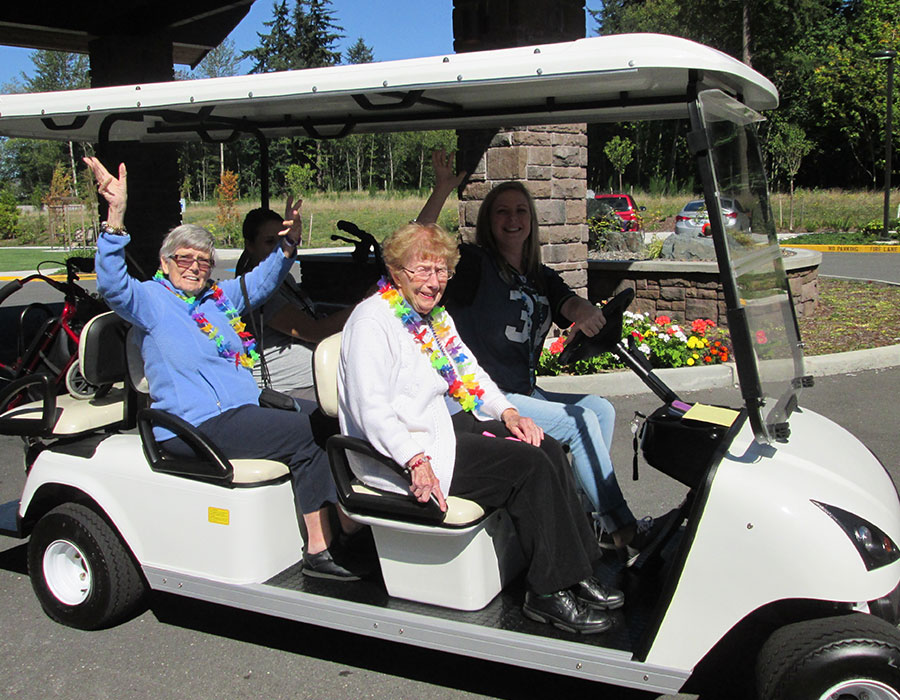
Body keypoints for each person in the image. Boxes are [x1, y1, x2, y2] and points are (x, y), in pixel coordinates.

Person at [84, 156, 366, 581]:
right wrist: (115, 219)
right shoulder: (150, 302)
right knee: (308, 435)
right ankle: (321, 547)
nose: (196, 266)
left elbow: (264, 281)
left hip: (243, 409)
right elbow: (111, 285)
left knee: (333, 418)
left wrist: (290, 244)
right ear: (165, 263)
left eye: (204, 260)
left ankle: (348, 521)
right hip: (195, 424)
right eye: (185, 259)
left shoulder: (219, 300)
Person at [338, 221, 623, 634]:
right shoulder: (372, 322)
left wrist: (508, 413)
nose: (433, 283)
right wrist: (415, 460)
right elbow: (372, 410)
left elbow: (469, 372)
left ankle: (577, 569)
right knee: (529, 468)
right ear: (396, 270)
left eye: (441, 271)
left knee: (547, 447)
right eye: (422, 270)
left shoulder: (433, 318)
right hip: (401, 453)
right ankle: (546, 592)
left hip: (439, 432)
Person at [417, 151, 648, 561]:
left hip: (523, 391)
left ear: (531, 220)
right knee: (578, 425)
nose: (512, 219)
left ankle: (581, 510)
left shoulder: (539, 274)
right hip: (482, 400)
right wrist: (442, 189)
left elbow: (568, 304)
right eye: (502, 212)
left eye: (521, 211)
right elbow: (420, 242)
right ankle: (620, 527)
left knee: (601, 409)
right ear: (490, 220)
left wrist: (587, 314)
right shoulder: (475, 264)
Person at [235, 207, 353, 402]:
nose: (277, 248)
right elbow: (316, 331)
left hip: (319, 376)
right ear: (250, 245)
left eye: (281, 241)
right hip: (289, 390)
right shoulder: (256, 293)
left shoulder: (285, 280)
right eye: (269, 242)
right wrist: (365, 305)